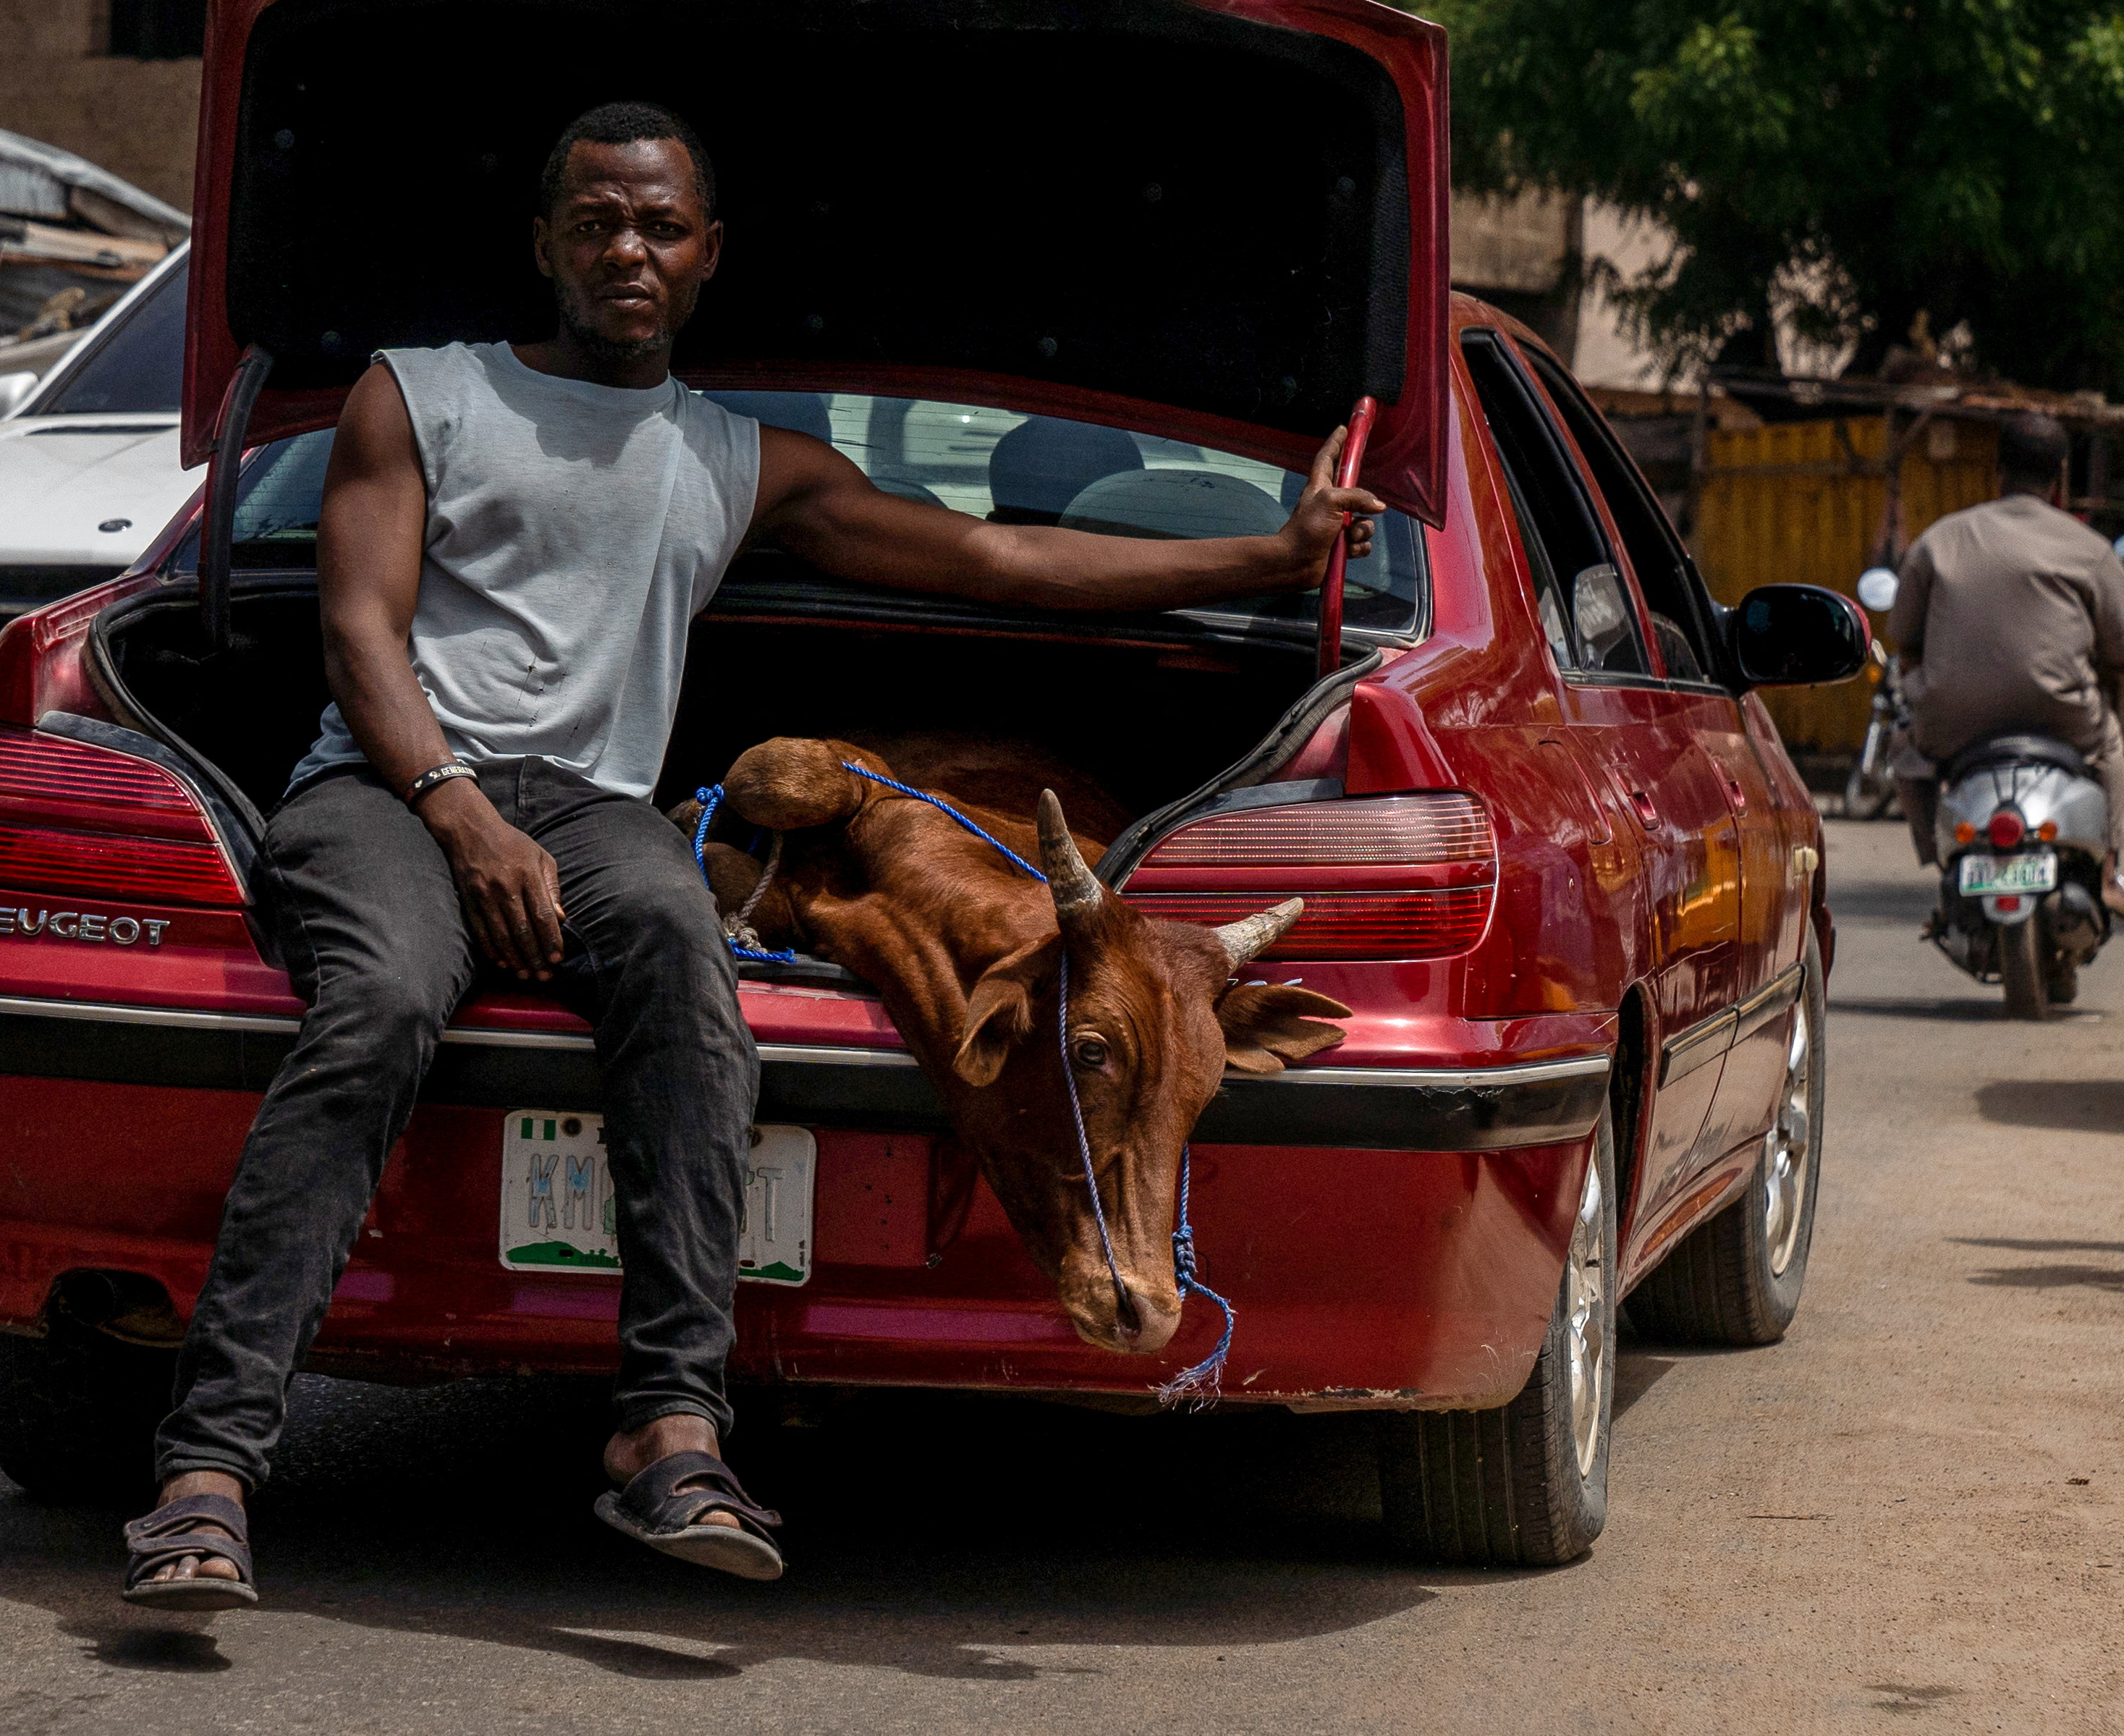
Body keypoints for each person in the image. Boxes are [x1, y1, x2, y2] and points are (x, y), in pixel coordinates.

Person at [118, 101, 1387, 1608]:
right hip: (386, 791)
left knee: (685, 981)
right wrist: (455, 809)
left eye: (658, 226)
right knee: (382, 1003)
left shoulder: (730, 456)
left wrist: (1268, 553)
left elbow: (994, 557)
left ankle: (666, 1433)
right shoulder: (422, 395)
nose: (626, 250)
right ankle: (207, 1471)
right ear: (544, 244)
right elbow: (354, 632)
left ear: (708, 253)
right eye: (593, 222)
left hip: (591, 810)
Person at [1889, 411, 2124, 919]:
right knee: (2110, 743)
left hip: (1954, 721)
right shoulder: (2092, 551)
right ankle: (2110, 870)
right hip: (2060, 717)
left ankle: (1944, 866)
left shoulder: (1939, 541)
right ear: (2060, 478)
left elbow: (1902, 636)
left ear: (1997, 469)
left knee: (1906, 750)